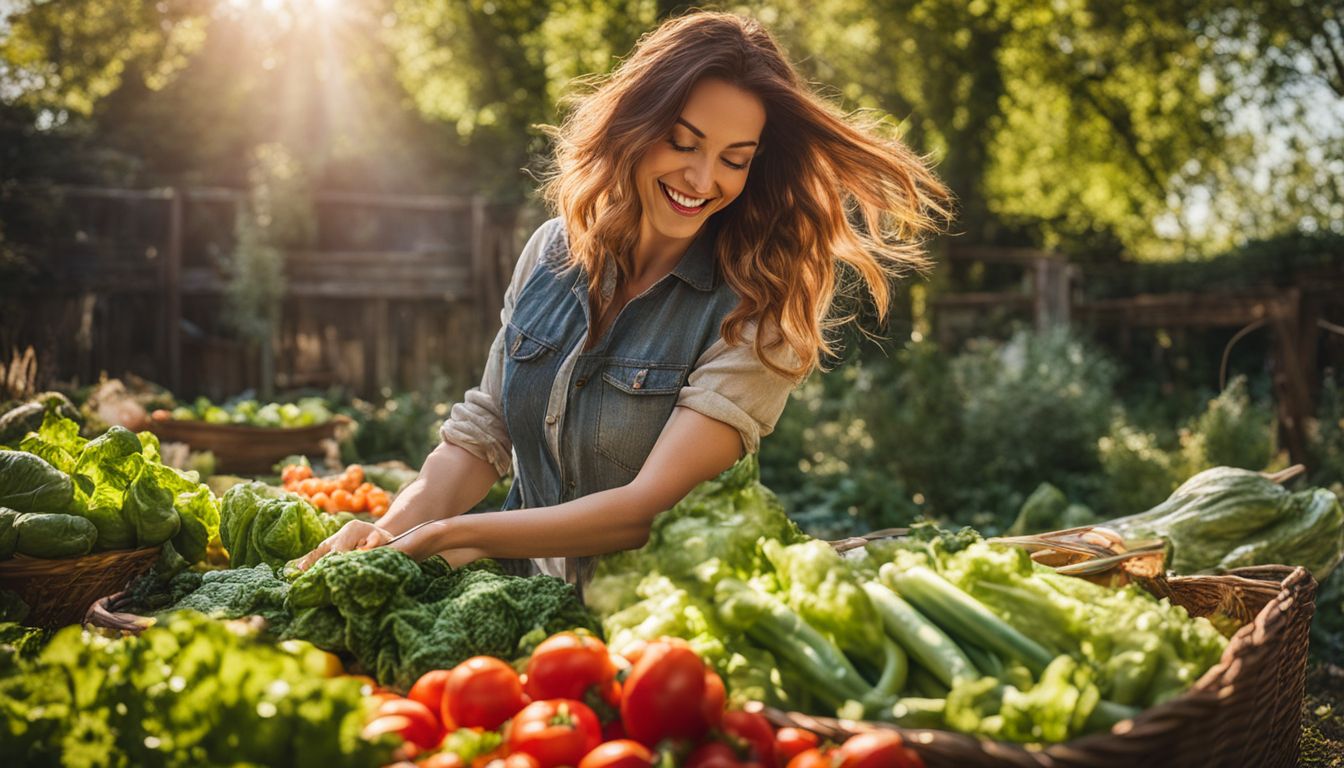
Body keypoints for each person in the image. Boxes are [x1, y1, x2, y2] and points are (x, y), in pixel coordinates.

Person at [293, 10, 951, 587]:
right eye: (684, 142)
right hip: (529, 614)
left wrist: (453, 537)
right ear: (636, 126)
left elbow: (648, 509)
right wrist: (389, 529)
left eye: (734, 158)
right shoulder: (550, 252)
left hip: (659, 639)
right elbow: (484, 432)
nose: (702, 178)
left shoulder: (757, 306)